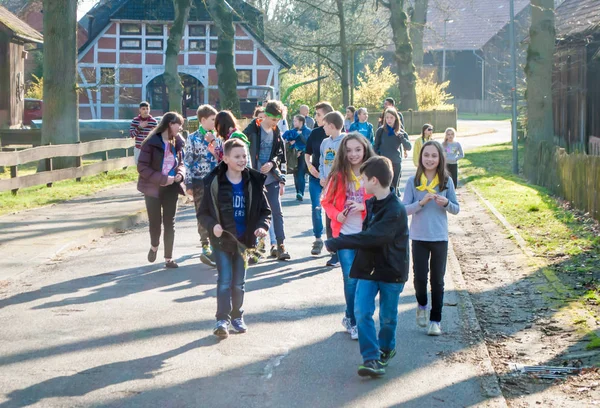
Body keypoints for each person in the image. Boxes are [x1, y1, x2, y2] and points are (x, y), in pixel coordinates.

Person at [325, 156, 409, 377]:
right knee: (362, 311)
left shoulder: (395, 210)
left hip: (392, 271)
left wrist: (338, 242)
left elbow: (371, 237)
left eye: (362, 179)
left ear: (373, 180)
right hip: (369, 269)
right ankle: (371, 358)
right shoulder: (370, 204)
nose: (360, 184)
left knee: (388, 317)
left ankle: (386, 348)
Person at [198, 138, 271, 338]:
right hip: (222, 241)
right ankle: (221, 320)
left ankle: (237, 316)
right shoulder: (214, 182)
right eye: (237, 156)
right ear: (226, 158)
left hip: (244, 242)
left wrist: (262, 227)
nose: (242, 160)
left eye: (244, 156)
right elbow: (202, 213)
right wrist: (213, 226)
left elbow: (265, 211)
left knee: (239, 283)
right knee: (224, 281)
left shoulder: (254, 182)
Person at [402, 140, 460, 336]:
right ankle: (422, 304)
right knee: (419, 279)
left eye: (434, 156)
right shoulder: (413, 181)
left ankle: (436, 320)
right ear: (420, 157)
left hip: (439, 237)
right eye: (426, 155)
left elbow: (456, 209)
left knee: (437, 281)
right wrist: (421, 203)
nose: (430, 159)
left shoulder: (446, 181)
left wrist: (445, 204)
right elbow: (403, 210)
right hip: (418, 237)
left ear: (440, 159)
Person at [321, 133, 375, 341]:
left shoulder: (372, 174)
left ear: (364, 150)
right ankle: (353, 321)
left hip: (367, 235)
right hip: (344, 235)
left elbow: (382, 200)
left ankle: (352, 315)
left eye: (358, 150)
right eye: (349, 150)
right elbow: (326, 202)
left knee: (365, 280)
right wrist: (338, 214)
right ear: (343, 152)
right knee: (350, 279)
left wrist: (364, 206)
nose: (353, 154)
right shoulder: (338, 176)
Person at [137, 112, 186, 269]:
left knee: (169, 222)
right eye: (179, 124)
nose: (181, 128)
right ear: (170, 124)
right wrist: (162, 179)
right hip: (152, 188)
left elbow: (182, 163)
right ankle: (154, 246)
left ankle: (168, 258)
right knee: (155, 222)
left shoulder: (176, 143)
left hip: (171, 188)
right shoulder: (151, 143)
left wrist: (180, 174)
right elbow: (142, 167)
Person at [243, 100, 290, 261]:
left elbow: (280, 155)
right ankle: (255, 247)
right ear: (267, 115)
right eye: (274, 119)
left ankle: (280, 245)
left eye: (278, 120)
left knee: (276, 211)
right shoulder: (252, 129)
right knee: (254, 213)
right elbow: (240, 143)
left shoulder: (277, 133)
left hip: (271, 178)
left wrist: (272, 163)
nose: (275, 123)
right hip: (254, 178)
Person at [184, 104, 222, 268]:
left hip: (217, 180)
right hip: (200, 180)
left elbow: (223, 156)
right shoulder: (192, 138)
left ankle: (216, 242)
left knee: (217, 211)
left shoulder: (218, 137)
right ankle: (204, 242)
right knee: (202, 211)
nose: (215, 122)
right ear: (203, 119)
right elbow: (188, 161)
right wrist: (189, 182)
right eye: (213, 119)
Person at [304, 101, 334, 257]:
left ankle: (333, 240)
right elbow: (307, 153)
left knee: (331, 209)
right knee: (316, 207)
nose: (315, 117)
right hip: (316, 177)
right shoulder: (314, 133)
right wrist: (310, 167)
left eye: (318, 114)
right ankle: (317, 239)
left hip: (331, 179)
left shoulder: (335, 134)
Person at [318, 111, 347, 267]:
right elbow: (322, 162)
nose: (323, 129)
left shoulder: (346, 141)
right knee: (329, 217)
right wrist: (323, 177)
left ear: (331, 125)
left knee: (339, 219)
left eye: (325, 126)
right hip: (328, 187)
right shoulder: (324, 143)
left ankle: (340, 251)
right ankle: (333, 250)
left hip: (341, 186)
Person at [374, 107, 412, 195]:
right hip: (384, 163)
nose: (389, 120)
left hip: (395, 162)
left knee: (394, 186)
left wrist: (401, 137)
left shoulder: (401, 132)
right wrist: (378, 157)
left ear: (395, 118)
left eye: (391, 117)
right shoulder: (381, 131)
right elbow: (375, 146)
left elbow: (408, 147)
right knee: (384, 186)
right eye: (387, 117)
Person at [282, 114, 311, 201]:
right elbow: (283, 139)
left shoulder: (308, 131)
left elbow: (308, 143)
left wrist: (300, 136)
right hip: (293, 155)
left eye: (295, 121)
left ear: (301, 122)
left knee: (301, 173)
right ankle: (297, 191)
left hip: (303, 154)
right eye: (293, 121)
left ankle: (300, 193)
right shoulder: (291, 131)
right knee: (295, 173)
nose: (294, 123)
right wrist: (288, 142)